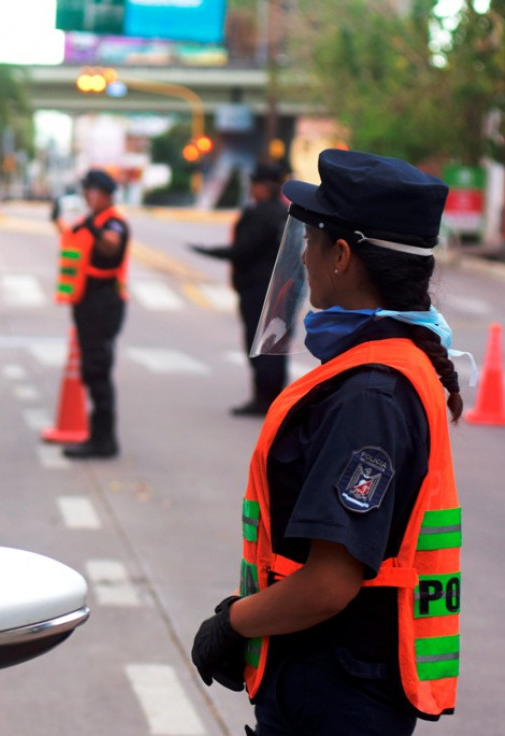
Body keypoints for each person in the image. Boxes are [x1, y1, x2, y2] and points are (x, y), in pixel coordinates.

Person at [190, 149, 464, 735]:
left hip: (336, 696)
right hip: (338, 684)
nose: (304, 257)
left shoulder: (370, 396)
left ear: (341, 256)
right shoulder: (386, 367)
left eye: (311, 241)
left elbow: (330, 583)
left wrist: (235, 623)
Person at [191, 161, 291, 416]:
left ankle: (263, 400)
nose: (251, 189)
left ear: (263, 187)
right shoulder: (286, 214)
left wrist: (208, 251)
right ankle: (274, 399)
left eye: (254, 184)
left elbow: (243, 251)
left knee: (259, 345)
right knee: (275, 345)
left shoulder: (259, 214)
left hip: (259, 288)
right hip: (283, 288)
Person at [51, 168, 130, 458]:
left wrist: (93, 227)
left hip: (103, 304)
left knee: (98, 371)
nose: (86, 196)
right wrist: (55, 219)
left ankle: (104, 440)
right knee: (91, 370)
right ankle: (98, 436)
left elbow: (111, 246)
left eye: (90, 191)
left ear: (103, 194)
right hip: (86, 303)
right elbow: (72, 236)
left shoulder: (114, 223)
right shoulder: (93, 220)